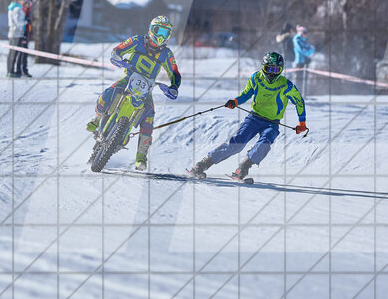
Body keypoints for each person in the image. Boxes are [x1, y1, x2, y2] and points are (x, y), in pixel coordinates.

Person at [188, 51, 306, 181]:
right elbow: (246, 94)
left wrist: (302, 123)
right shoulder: (256, 78)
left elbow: (299, 102)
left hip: (272, 122)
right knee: (236, 144)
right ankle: (202, 165)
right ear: (263, 67)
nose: (272, 73)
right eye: (269, 69)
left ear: (281, 70)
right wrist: (235, 101)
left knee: (265, 143)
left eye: (275, 69)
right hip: (254, 118)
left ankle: (243, 167)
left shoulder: (286, 85)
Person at [87, 15, 180, 171]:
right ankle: (97, 119)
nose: (162, 36)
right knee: (107, 93)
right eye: (159, 31)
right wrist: (117, 57)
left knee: (149, 117)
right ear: (152, 30)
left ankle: (141, 157)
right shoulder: (137, 41)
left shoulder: (166, 54)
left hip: (148, 87)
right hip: (129, 77)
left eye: (166, 33)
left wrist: (174, 87)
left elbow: (175, 72)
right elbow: (118, 49)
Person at [7, 0, 28, 78]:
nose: (23, 1)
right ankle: (11, 71)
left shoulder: (12, 8)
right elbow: (18, 22)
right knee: (14, 54)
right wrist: (26, 22)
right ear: (18, 0)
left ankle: (10, 71)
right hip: (16, 33)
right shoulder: (17, 9)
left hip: (12, 33)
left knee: (12, 53)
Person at [293, 26, 315, 94]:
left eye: (306, 32)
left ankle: (303, 94)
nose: (306, 34)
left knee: (304, 79)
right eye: (304, 32)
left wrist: (309, 54)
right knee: (298, 79)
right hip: (299, 61)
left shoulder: (304, 40)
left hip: (305, 61)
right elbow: (301, 50)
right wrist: (308, 54)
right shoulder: (297, 39)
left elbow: (312, 50)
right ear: (301, 33)